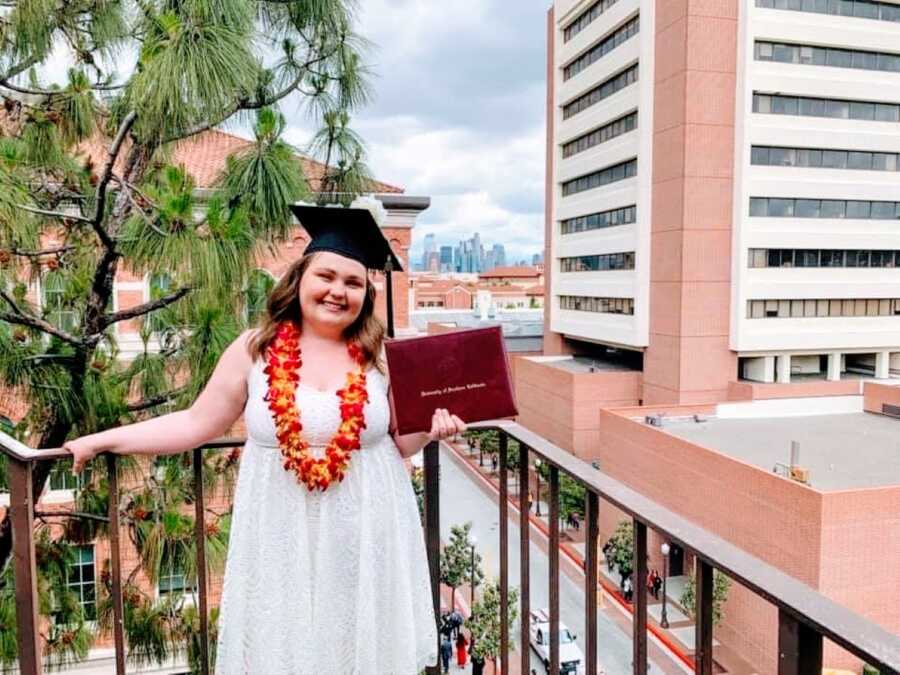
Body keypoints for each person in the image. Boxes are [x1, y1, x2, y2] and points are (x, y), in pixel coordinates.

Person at [63, 203, 468, 674]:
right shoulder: (254, 348)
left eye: (353, 283)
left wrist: (434, 427)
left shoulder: (379, 357)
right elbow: (196, 423)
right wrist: (104, 440)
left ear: (366, 296)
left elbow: (401, 441)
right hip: (281, 534)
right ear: (300, 280)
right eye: (327, 276)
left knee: (361, 651)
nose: (338, 291)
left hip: (365, 533)